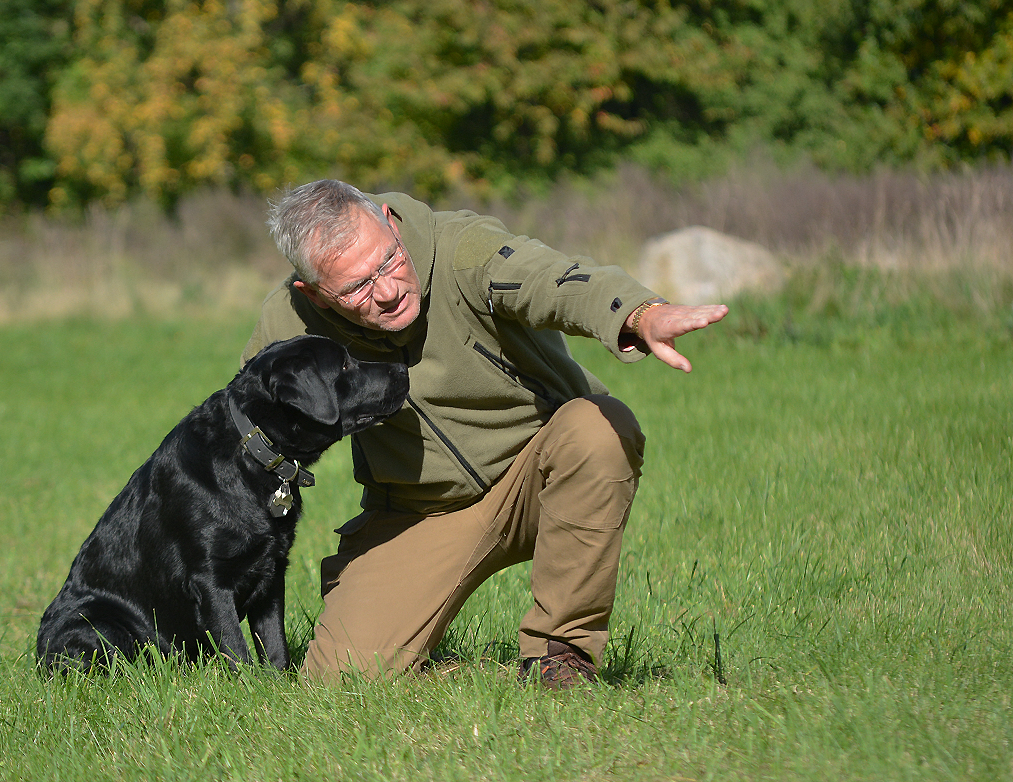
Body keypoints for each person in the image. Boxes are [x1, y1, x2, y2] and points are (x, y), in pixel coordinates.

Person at [242, 179, 728, 687]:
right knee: (339, 681)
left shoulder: (462, 250)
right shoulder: (286, 324)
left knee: (599, 427)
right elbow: (246, 437)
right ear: (315, 295)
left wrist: (637, 312)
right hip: (416, 511)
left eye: (387, 263)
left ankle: (560, 656)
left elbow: (554, 279)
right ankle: (448, 672)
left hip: (538, 474)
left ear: (390, 221)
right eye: (357, 288)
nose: (386, 292)